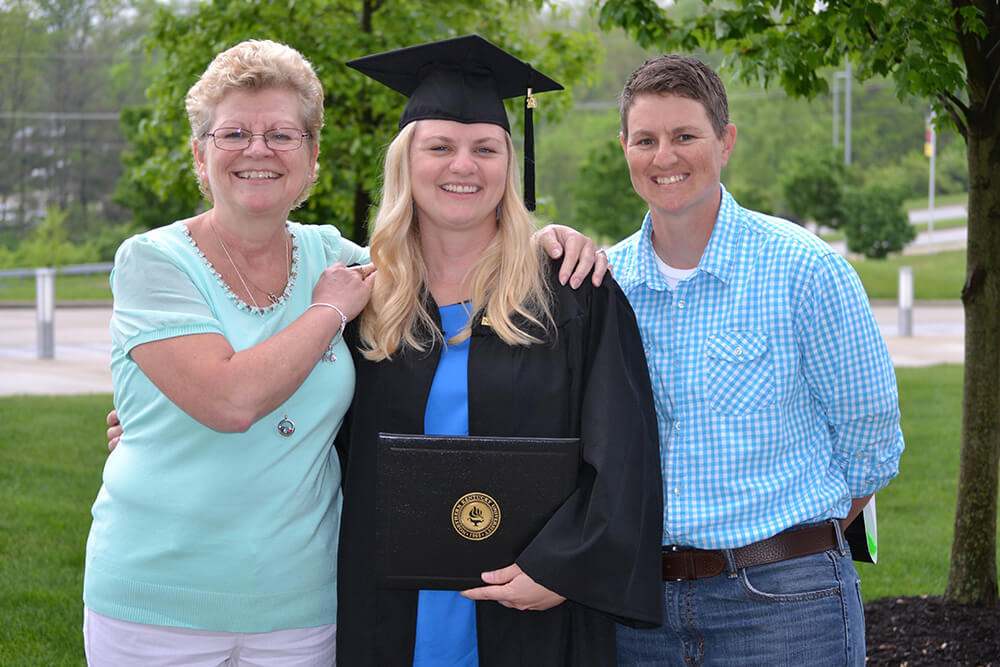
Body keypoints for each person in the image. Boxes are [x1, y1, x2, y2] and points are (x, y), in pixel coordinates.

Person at [87, 39, 603, 666]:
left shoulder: (344, 260)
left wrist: (544, 238)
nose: (258, 150)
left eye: (282, 134)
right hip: (158, 599)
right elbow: (229, 400)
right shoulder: (155, 261)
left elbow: (446, 250)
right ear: (200, 154)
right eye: (234, 134)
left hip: (299, 603)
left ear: (311, 159)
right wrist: (327, 311)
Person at [334, 35, 664, 666]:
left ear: (510, 164)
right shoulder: (361, 299)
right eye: (440, 147)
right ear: (406, 163)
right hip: (385, 606)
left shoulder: (571, 294)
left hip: (532, 607)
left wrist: (563, 567)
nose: (465, 165)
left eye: (486, 148)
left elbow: (624, 453)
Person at [606, 54, 905, 666]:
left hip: (784, 604)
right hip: (640, 614)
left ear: (726, 141)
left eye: (685, 136)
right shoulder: (609, 285)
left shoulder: (803, 270)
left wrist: (797, 542)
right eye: (647, 139)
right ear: (626, 149)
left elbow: (871, 439)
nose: (665, 156)